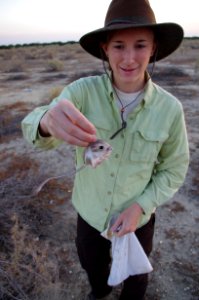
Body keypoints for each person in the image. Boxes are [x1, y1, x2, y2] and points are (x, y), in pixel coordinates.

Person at [21, 0, 189, 299]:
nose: (129, 58)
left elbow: (174, 167)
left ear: (154, 48)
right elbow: (36, 126)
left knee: (137, 279)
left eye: (140, 45)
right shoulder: (82, 91)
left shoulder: (170, 109)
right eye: (118, 46)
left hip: (138, 218)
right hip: (90, 212)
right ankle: (99, 292)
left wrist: (141, 206)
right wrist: (46, 120)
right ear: (104, 49)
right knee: (93, 267)